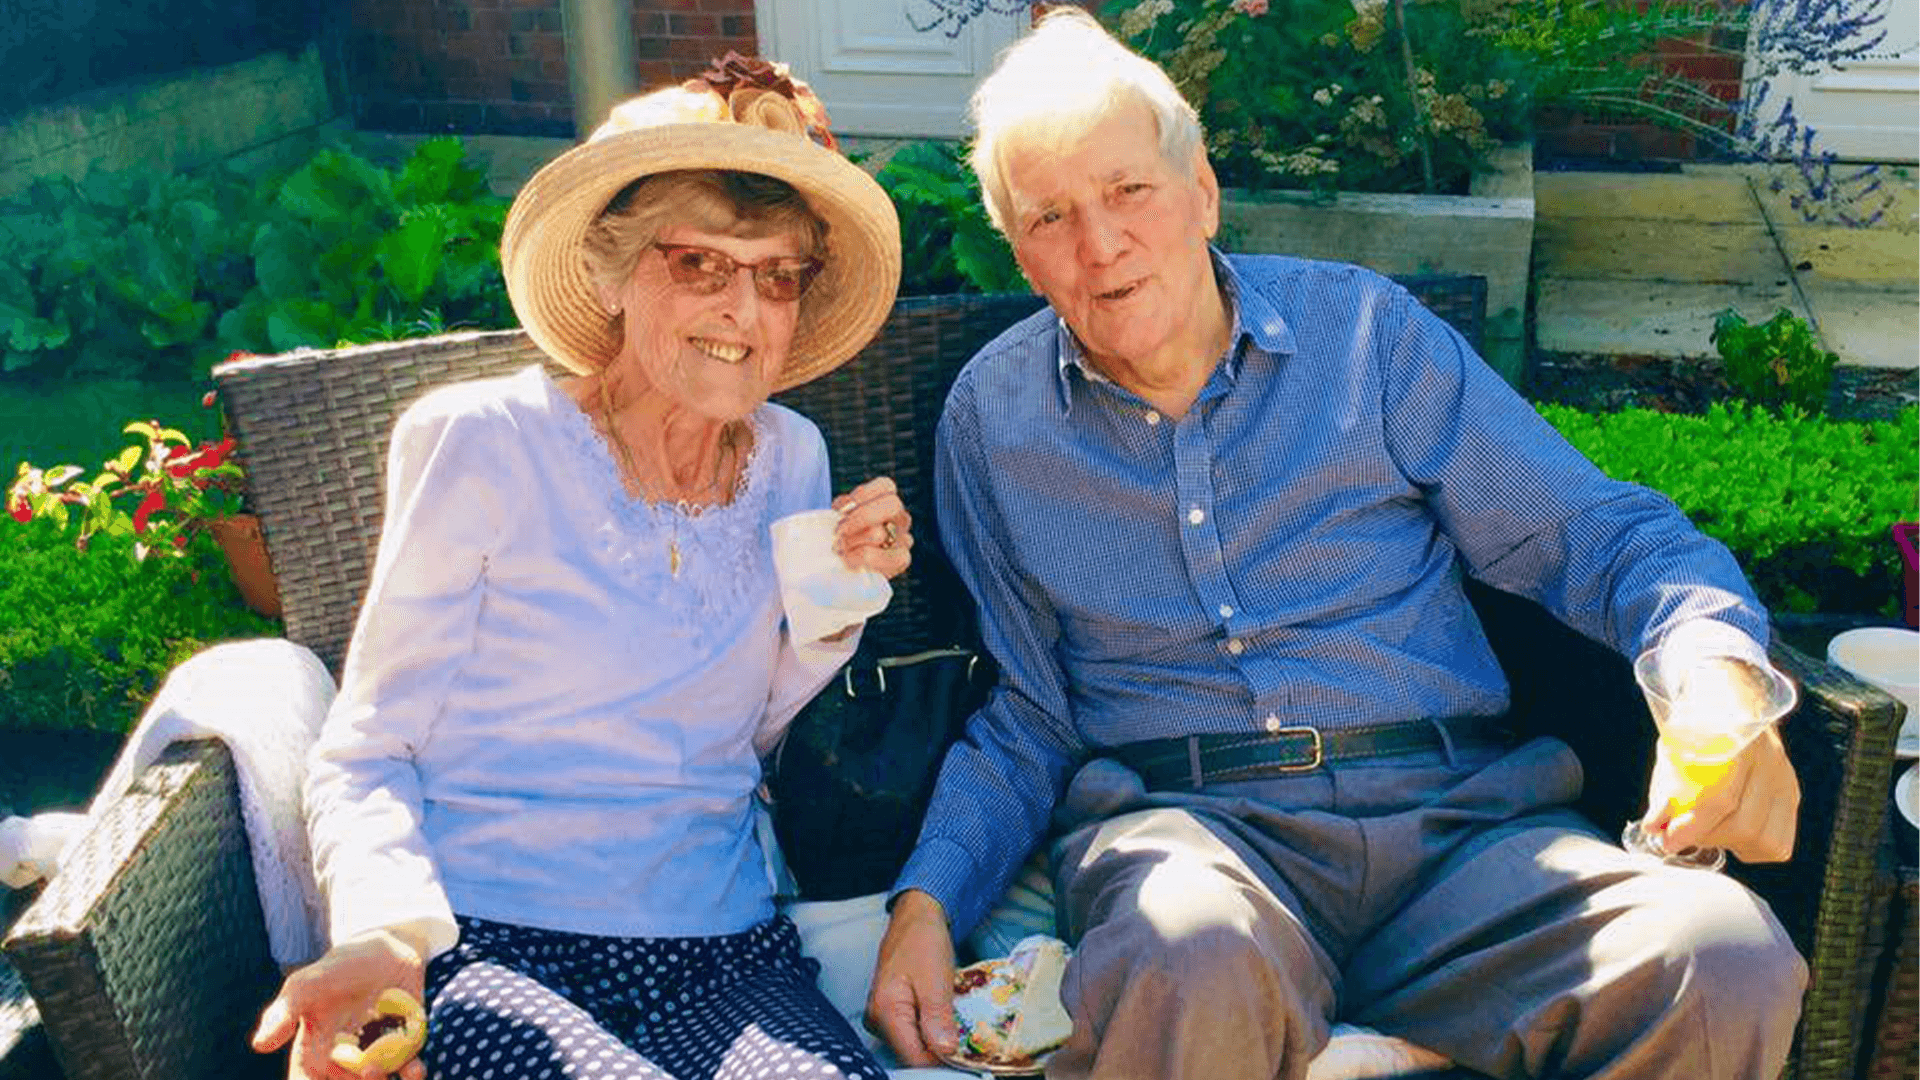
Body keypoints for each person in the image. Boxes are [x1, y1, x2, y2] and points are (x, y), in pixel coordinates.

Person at [865, 10, 1806, 1080]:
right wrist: (926, 902)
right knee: (1185, 950)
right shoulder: (994, 421)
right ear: (1022, 255)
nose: (1100, 243)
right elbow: (1031, 710)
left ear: (1203, 193)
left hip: (1461, 835)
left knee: (1722, 960)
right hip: (1198, 836)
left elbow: (1601, 536)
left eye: (1130, 191)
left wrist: (1720, 675)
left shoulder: (1368, 337)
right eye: (1051, 217)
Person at [250, 55, 911, 1080]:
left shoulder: (794, 457)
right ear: (610, 271)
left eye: (778, 275)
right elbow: (367, 747)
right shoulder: (483, 441)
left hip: (723, 946)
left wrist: (839, 603)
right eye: (700, 264)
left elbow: (736, 738)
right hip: (492, 941)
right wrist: (382, 930)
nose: (745, 309)